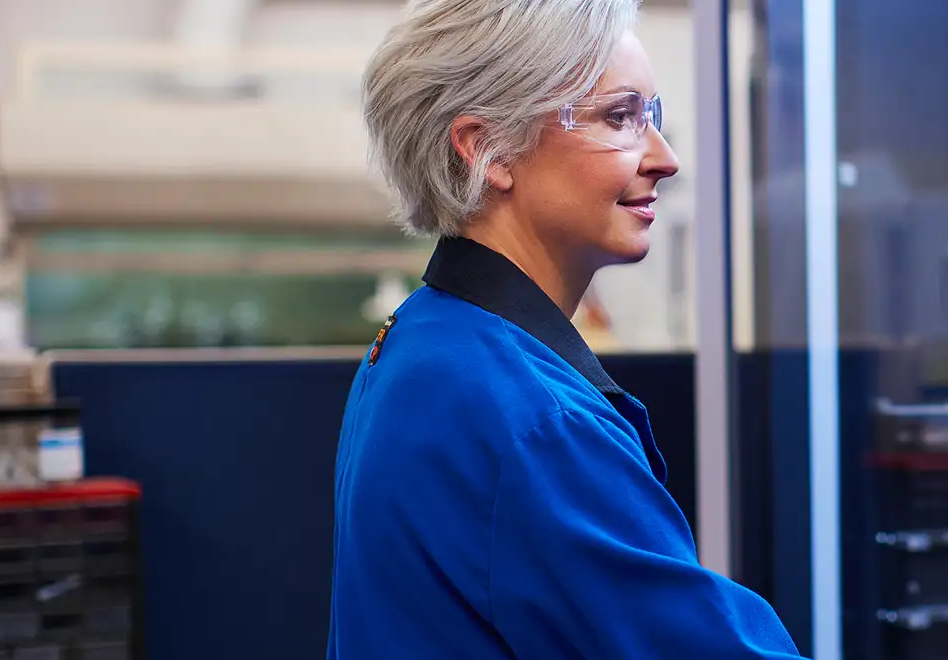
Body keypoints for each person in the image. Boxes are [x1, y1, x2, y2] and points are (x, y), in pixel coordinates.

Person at [327, 1, 803, 657]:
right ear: (487, 149)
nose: (664, 158)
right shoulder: (535, 421)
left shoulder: (418, 339)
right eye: (619, 117)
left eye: (652, 117)